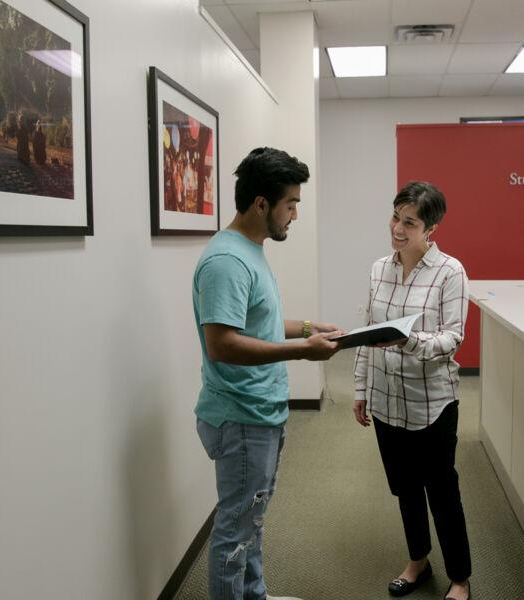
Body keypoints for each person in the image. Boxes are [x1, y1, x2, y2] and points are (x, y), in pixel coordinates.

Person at [193, 147, 343, 600]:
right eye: (290, 204)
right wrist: (302, 350)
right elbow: (222, 344)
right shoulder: (227, 262)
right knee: (235, 531)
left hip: (260, 414)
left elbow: (253, 324)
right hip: (241, 419)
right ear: (262, 204)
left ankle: (253, 596)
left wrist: (306, 327)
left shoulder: (250, 250)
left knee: (250, 521)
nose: (294, 214)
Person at [353, 181, 472, 600]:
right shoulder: (378, 268)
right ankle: (418, 561)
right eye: (395, 217)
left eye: (410, 222)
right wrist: (360, 388)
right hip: (387, 402)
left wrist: (409, 341)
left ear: (431, 228)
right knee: (405, 489)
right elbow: (368, 333)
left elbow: (453, 338)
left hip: (431, 404)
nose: (398, 229)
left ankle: (459, 577)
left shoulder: (450, 272)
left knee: (442, 494)